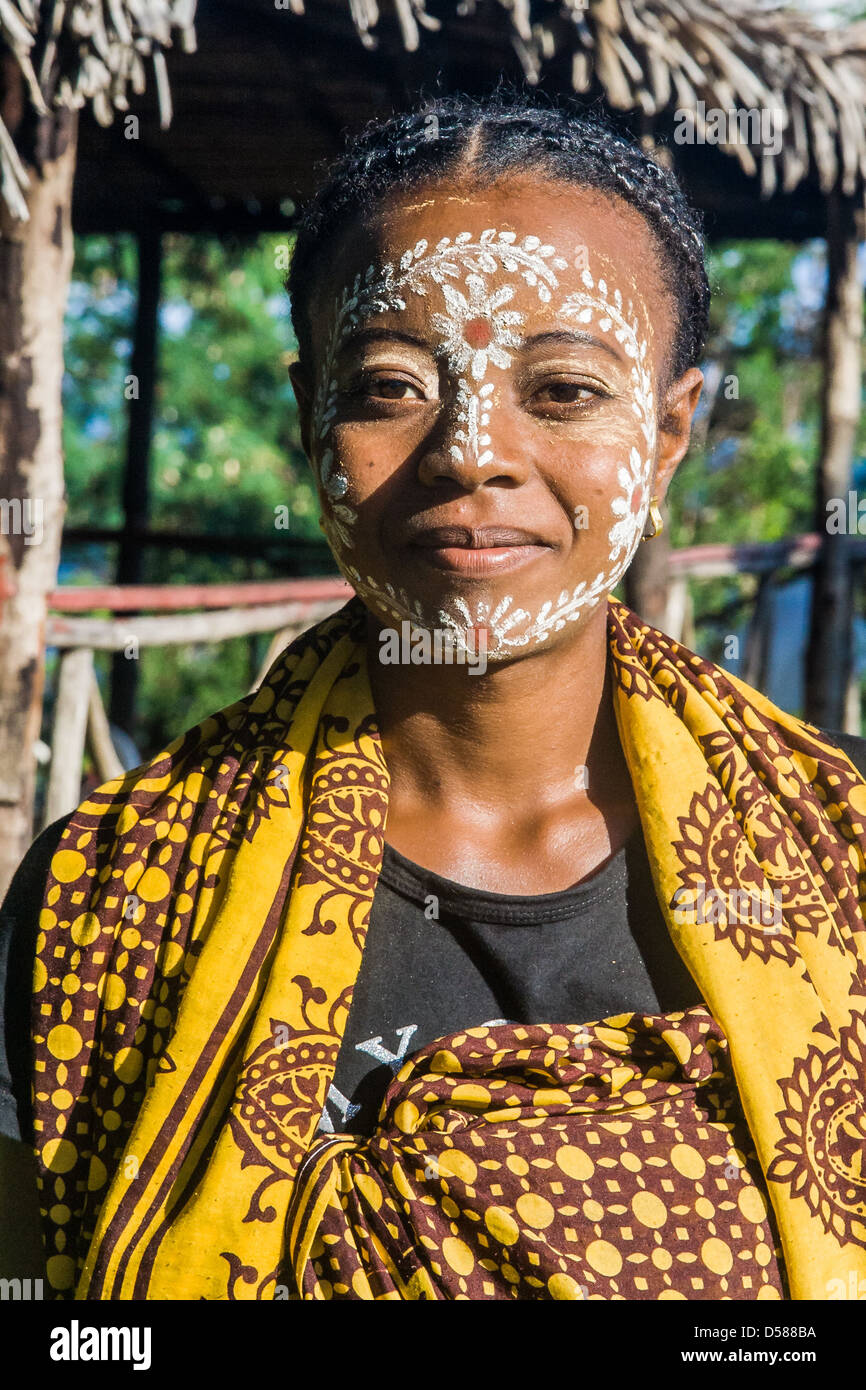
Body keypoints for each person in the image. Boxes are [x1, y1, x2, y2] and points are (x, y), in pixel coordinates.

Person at [3, 92, 866, 1302]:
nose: (470, 450)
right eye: (390, 386)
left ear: (669, 434)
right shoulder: (104, 897)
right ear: (313, 410)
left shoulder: (835, 850)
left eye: (561, 390)